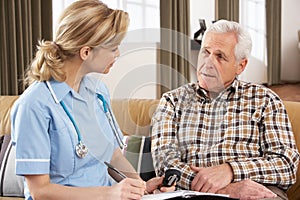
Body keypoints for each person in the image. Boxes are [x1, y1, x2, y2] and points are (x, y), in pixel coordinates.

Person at [10, 1, 174, 200]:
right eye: (113, 48)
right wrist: (109, 193)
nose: (118, 54)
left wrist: (140, 186)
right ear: (86, 52)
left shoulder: (98, 93)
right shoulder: (34, 105)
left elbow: (113, 155)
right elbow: (40, 191)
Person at [151, 19, 300, 200]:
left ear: (241, 65)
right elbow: (165, 163)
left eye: (220, 56)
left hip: (256, 193)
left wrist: (231, 170)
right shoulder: (172, 102)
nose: (208, 63)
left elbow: (286, 165)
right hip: (191, 193)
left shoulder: (265, 100)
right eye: (206, 52)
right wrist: (223, 191)